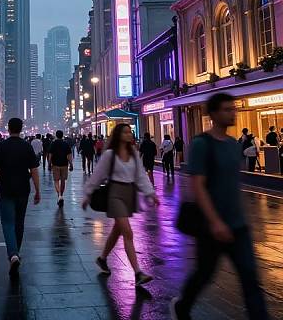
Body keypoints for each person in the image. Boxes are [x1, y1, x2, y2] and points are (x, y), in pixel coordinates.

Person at [170, 93, 268, 320]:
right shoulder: (201, 144)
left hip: (238, 225)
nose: (232, 113)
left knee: (250, 278)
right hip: (211, 226)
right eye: (226, 109)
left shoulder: (234, 145)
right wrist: (214, 221)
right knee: (205, 273)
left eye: (232, 109)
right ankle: (182, 306)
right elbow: (198, 186)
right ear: (213, 114)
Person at [83, 123, 159, 286]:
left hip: (129, 193)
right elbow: (98, 175)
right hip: (115, 194)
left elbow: (141, 176)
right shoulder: (110, 154)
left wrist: (151, 193)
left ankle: (102, 259)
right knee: (128, 232)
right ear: (118, 135)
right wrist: (88, 194)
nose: (129, 134)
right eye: (126, 132)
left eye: (130, 132)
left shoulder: (134, 153)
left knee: (118, 230)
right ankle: (138, 273)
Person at [0, 118, 41, 277]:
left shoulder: (2, 146)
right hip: (23, 189)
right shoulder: (26, 146)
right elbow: (34, 170)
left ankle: (13, 253)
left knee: (7, 222)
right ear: (21, 128)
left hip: (6, 189)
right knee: (19, 222)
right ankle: (15, 252)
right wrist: (38, 190)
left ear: (8, 128)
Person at [48, 130, 73, 207]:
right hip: (64, 164)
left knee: (56, 180)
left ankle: (59, 195)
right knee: (63, 181)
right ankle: (61, 195)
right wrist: (71, 164)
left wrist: (49, 164)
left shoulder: (53, 143)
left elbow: (50, 155)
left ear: (56, 135)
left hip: (55, 164)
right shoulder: (66, 144)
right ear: (62, 136)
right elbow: (69, 155)